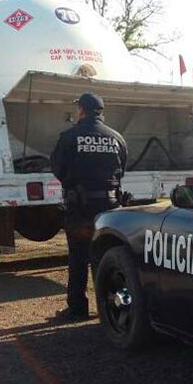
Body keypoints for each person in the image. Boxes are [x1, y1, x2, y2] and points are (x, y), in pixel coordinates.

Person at [50, 92, 128, 322]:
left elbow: (58, 168)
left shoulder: (69, 137)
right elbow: (122, 169)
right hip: (110, 208)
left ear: (82, 110)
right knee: (106, 257)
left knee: (78, 257)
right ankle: (109, 309)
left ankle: (78, 309)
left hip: (81, 208)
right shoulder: (116, 138)